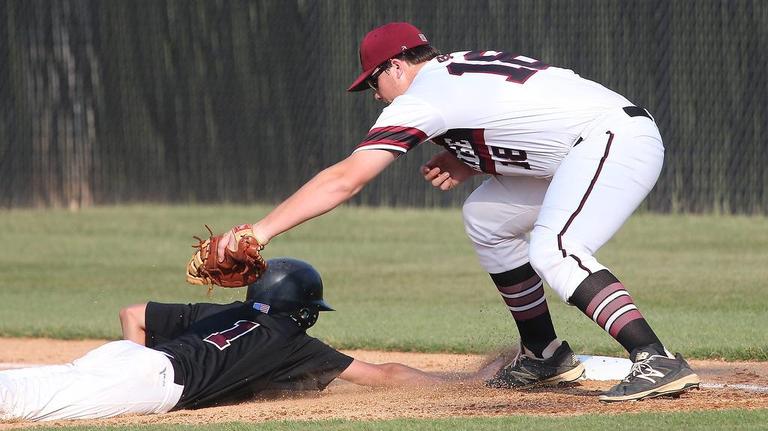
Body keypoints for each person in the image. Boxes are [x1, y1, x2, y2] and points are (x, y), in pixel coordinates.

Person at [214, 22, 699, 402]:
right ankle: (545, 355)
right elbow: (526, 109)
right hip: (587, 143)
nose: (376, 96)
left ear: (398, 65)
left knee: (555, 246)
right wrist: (474, 157)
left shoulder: (426, 94)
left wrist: (259, 231)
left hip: (610, 141)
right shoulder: (454, 70)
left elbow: (347, 178)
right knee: (487, 216)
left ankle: (654, 358)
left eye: (374, 83)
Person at [0, 258, 439, 422]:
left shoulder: (232, 312)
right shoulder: (294, 342)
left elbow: (132, 314)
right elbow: (384, 374)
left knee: (39, 382)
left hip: (123, 357)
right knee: (26, 405)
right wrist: (460, 382)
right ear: (299, 310)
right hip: (150, 380)